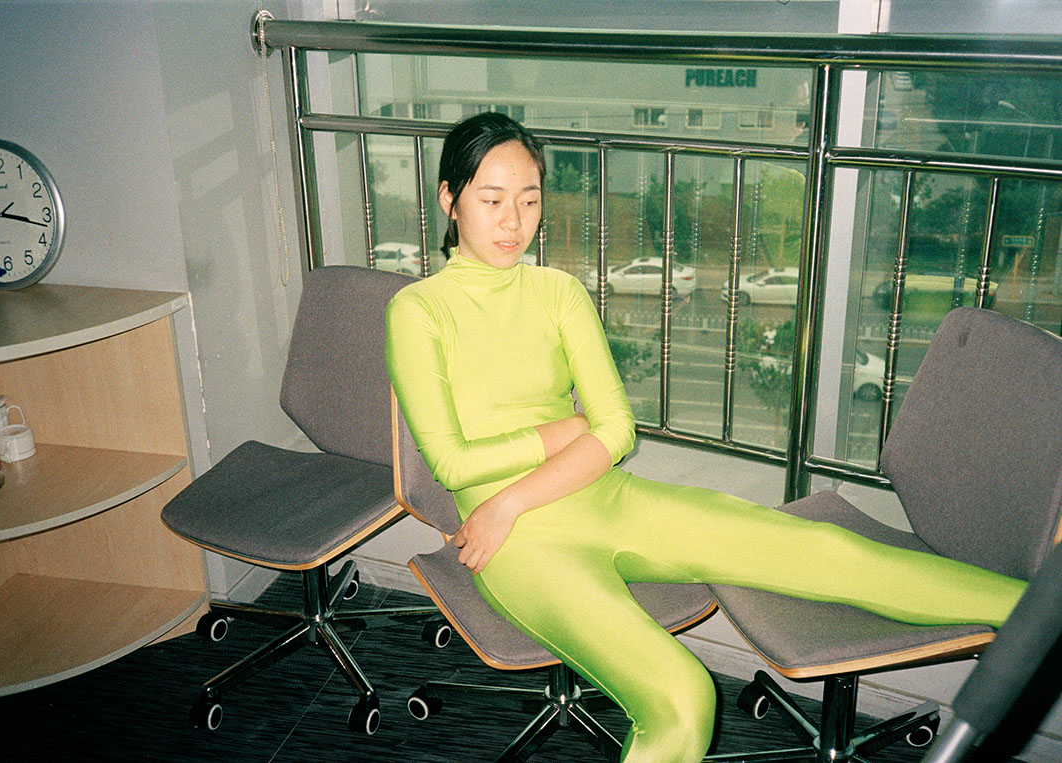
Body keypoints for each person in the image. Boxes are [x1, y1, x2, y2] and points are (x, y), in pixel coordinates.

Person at [384, 112, 1025, 763]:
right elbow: (453, 464)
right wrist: (562, 434)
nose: (513, 222)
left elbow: (616, 430)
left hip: (590, 500)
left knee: (827, 549)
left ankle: (1037, 609)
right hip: (518, 547)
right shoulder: (418, 311)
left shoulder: (558, 292)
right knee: (683, 698)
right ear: (449, 198)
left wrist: (514, 496)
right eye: (491, 200)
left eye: (529, 199)